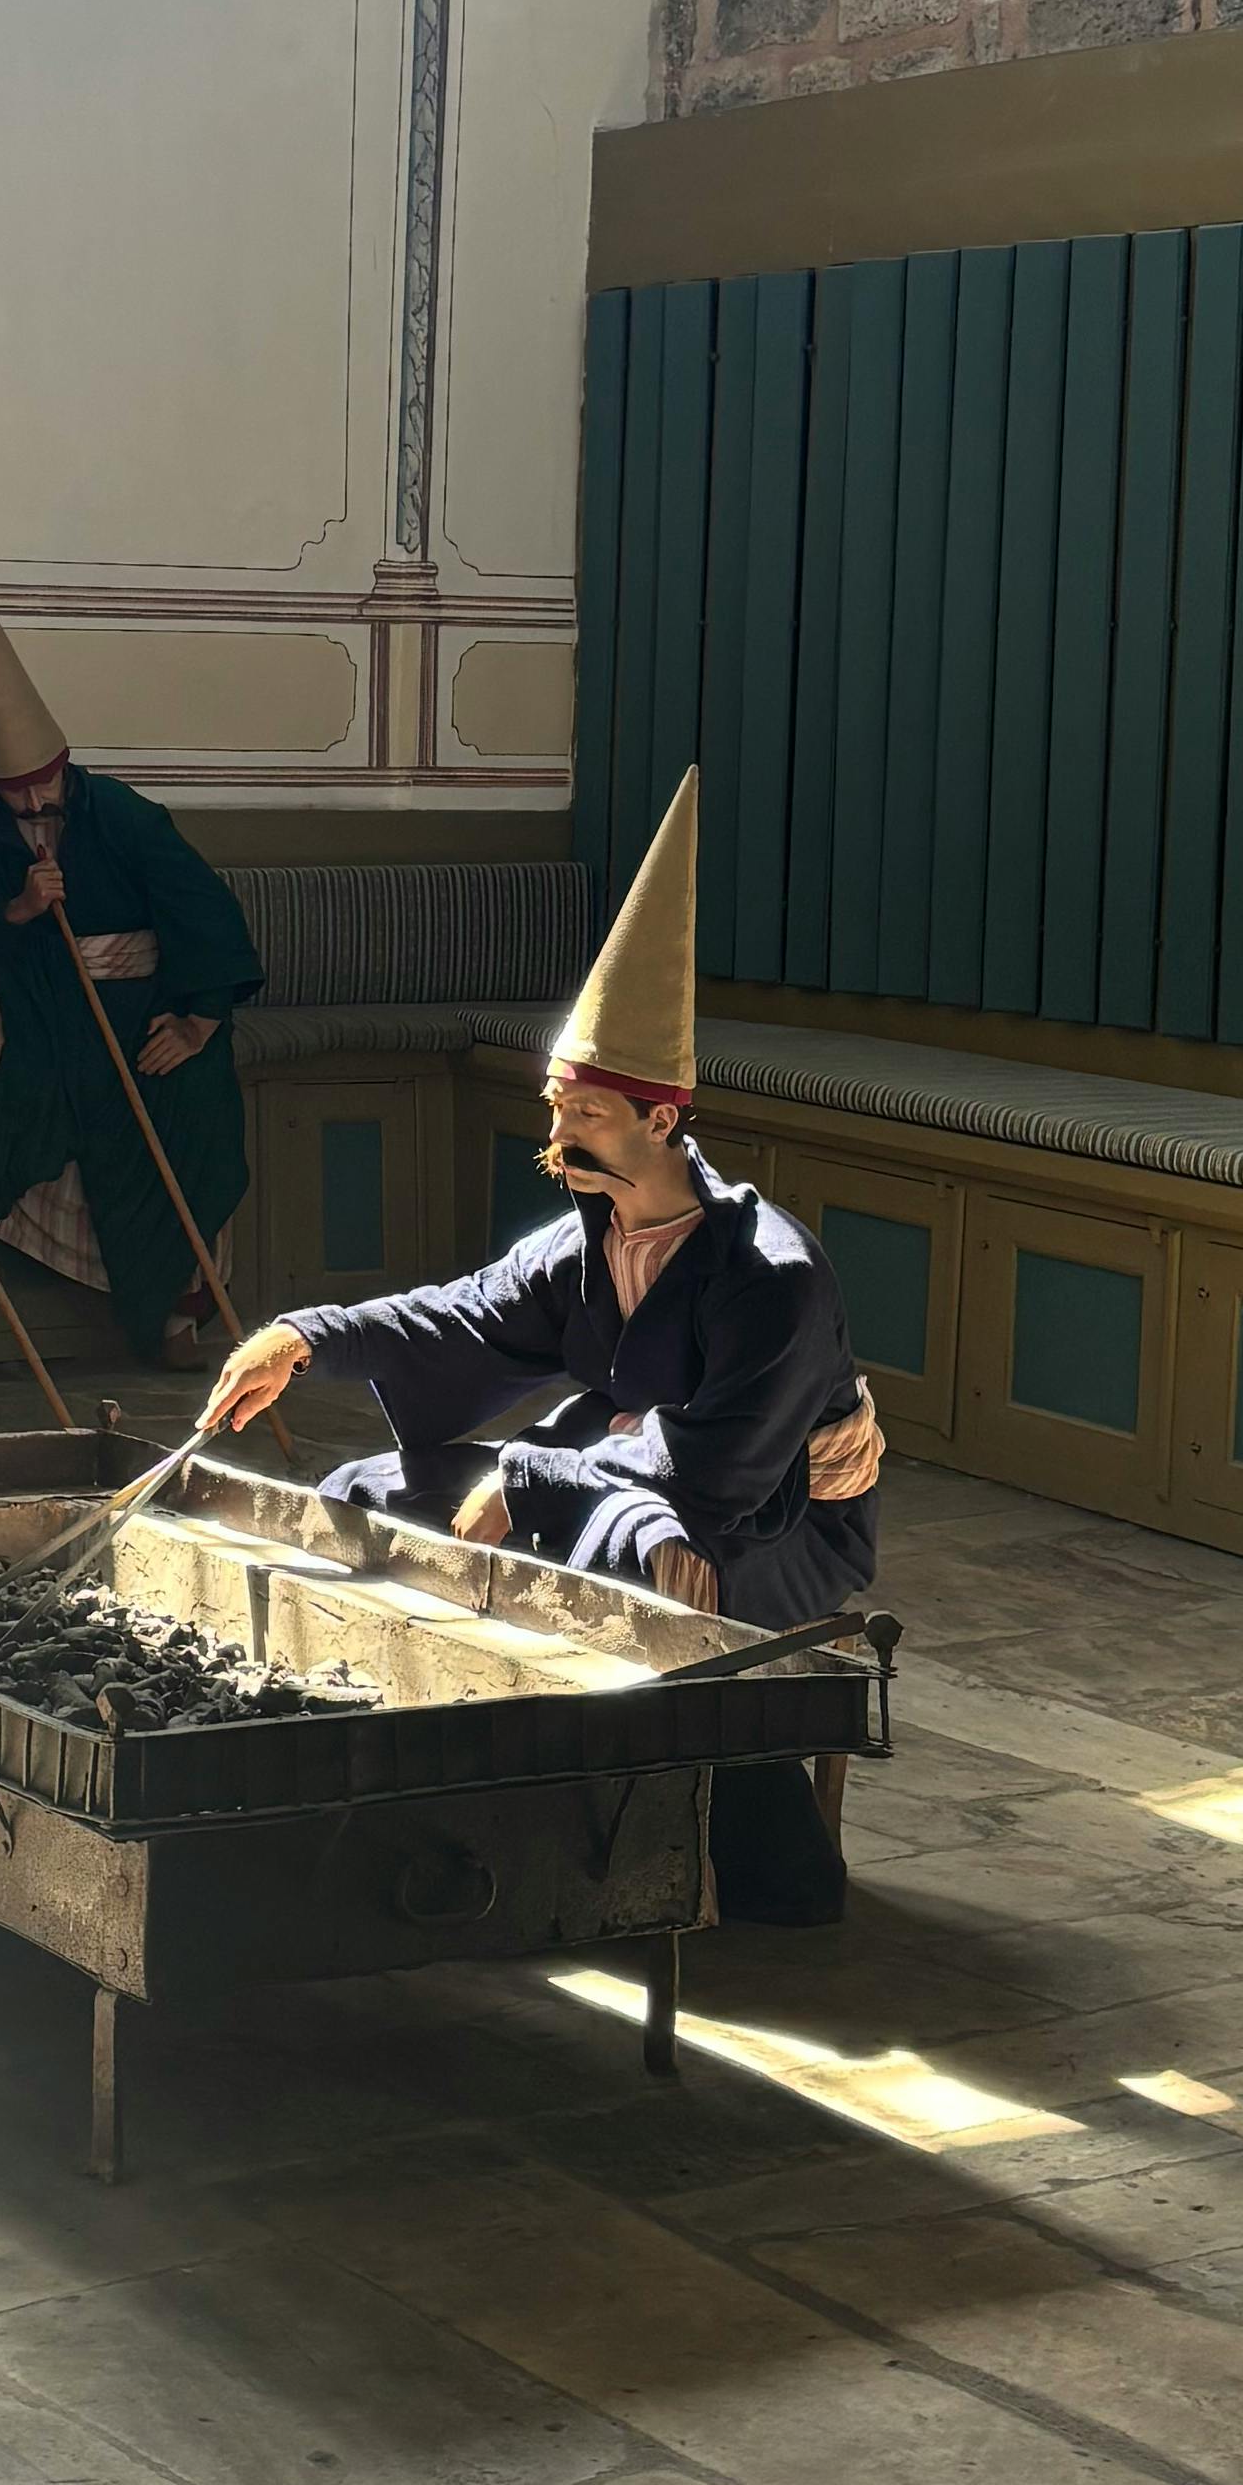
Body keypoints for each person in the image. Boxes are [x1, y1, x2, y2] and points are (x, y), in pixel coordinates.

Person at [199, 767, 888, 1907]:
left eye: (588, 1114)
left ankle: (707, 1851)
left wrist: (529, 1479)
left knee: (637, 1556)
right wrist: (303, 1339)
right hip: (612, 1470)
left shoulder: (772, 1275)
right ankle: (409, 1797)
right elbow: (458, 1317)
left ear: (662, 1118)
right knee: (370, 1495)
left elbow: (718, 1472)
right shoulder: (586, 1236)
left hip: (772, 1521)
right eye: (557, 1108)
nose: (560, 1134)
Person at [0, 602, 264, 1369]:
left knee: (191, 1104)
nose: (33, 806)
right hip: (47, 1009)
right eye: (15, 795)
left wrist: (198, 1021)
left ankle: (178, 1310)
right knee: (14, 1102)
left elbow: (201, 910)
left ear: (65, 767)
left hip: (149, 1006)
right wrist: (19, 910)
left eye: (43, 786)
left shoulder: (122, 814)